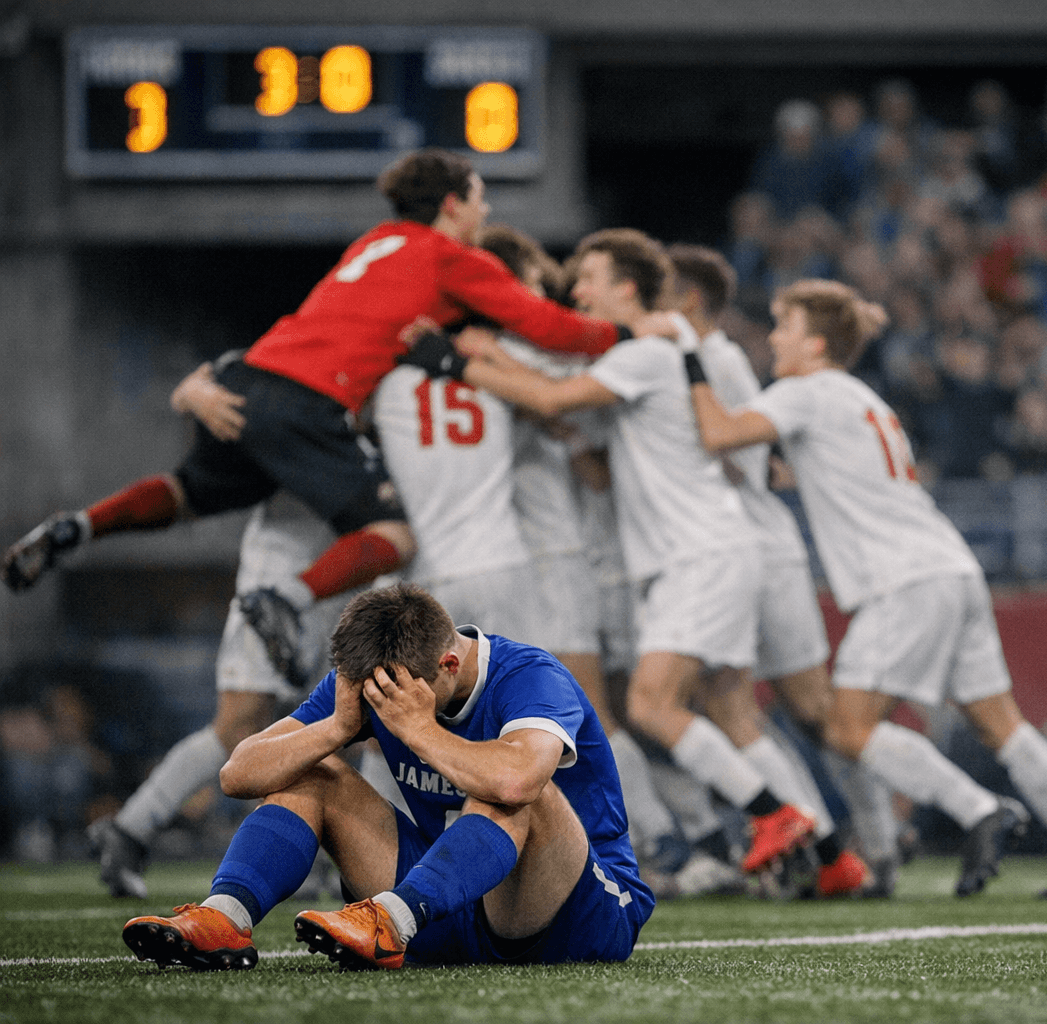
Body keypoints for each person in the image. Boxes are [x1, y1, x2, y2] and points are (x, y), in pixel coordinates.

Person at [3, 148, 669, 687]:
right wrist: (626, 335)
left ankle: (78, 526)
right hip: (312, 404)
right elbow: (547, 326)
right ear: (452, 204)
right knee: (392, 536)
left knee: (186, 494)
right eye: (479, 198)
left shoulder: (370, 245)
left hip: (247, 378)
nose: (483, 210)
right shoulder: (450, 257)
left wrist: (194, 388)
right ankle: (286, 601)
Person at [686, 278, 1047, 899]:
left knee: (846, 729)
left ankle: (978, 810)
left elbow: (720, 433)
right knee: (1001, 723)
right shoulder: (857, 396)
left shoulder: (803, 391)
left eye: (784, 326)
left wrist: (686, 359)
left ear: (814, 344)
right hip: (949, 564)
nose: (774, 340)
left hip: (903, 579)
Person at [450, 228, 825, 876]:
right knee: (731, 712)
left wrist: (465, 356)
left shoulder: (650, 348)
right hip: (707, 546)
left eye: (591, 277)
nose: (578, 290)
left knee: (651, 706)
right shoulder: (661, 348)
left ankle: (773, 816)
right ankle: (828, 851)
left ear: (628, 287)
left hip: (699, 550)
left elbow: (552, 396)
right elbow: (583, 442)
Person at [121, 582, 653, 970]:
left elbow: (516, 782)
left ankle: (389, 921)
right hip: (444, 904)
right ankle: (224, 919)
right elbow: (238, 774)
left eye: (396, 696)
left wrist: (418, 731)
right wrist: (335, 728)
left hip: (578, 915)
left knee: (510, 787)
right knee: (311, 767)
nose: (385, 706)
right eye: (374, 697)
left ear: (448, 665)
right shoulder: (374, 675)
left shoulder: (532, 675)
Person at [88, 361, 349, 899]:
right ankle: (130, 827)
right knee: (238, 725)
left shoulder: (376, 363)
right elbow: (204, 381)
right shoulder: (289, 366)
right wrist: (196, 393)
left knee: (353, 720)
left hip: (352, 569)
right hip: (278, 569)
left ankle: (325, 857)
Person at [668, 243, 871, 897]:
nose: (772, 337)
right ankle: (841, 846)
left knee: (793, 712)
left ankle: (856, 843)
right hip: (744, 547)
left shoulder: (716, 359)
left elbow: (730, 448)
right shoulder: (728, 361)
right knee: (750, 708)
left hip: (750, 549)